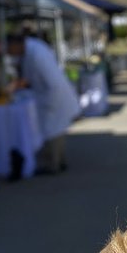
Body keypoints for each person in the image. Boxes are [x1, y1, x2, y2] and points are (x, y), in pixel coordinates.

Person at [8, 29, 80, 174]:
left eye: (10, 48)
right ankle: (59, 161)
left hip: (52, 95)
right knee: (56, 130)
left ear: (16, 44)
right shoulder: (32, 50)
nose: (10, 52)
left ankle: (53, 164)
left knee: (52, 132)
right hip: (49, 94)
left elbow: (49, 80)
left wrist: (30, 86)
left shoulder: (36, 53)